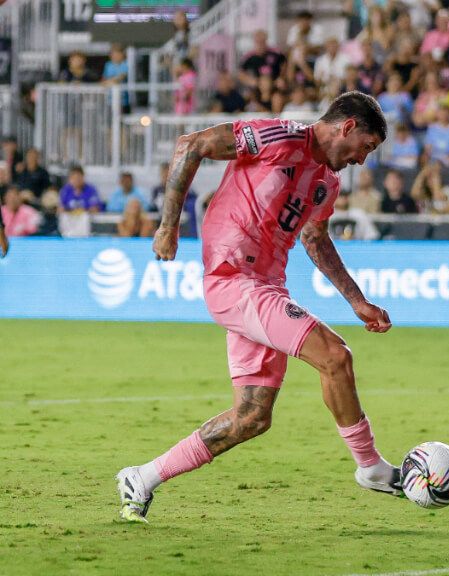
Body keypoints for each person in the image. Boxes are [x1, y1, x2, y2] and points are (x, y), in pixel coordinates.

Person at [116, 92, 399, 523]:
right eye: (367, 147)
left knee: (251, 418)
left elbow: (314, 238)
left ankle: (143, 477)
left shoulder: (327, 182)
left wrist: (356, 299)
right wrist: (168, 226)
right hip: (235, 279)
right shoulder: (278, 136)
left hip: (266, 287)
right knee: (336, 356)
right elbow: (190, 145)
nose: (363, 159)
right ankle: (370, 466)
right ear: (347, 127)